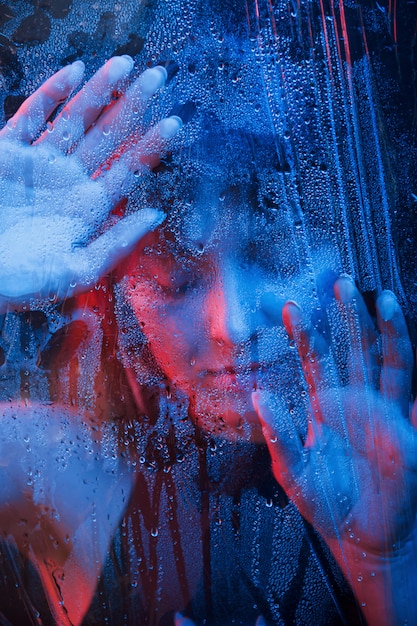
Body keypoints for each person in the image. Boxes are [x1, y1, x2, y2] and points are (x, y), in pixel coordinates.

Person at [0, 51, 416, 626]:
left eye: (273, 253)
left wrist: (391, 565)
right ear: (121, 301)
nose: (236, 324)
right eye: (175, 282)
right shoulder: (61, 468)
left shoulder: (403, 458)